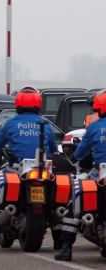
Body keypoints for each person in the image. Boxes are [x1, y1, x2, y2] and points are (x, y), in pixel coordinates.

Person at [55, 89, 106, 261]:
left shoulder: (94, 127)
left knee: (75, 205)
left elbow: (80, 153)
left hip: (99, 172)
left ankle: (66, 249)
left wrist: (75, 155)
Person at [0, 86, 58, 163]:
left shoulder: (10, 123)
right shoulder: (45, 124)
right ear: (38, 103)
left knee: (0, 174)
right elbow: (54, 149)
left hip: (18, 168)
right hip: (42, 167)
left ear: (18, 103)